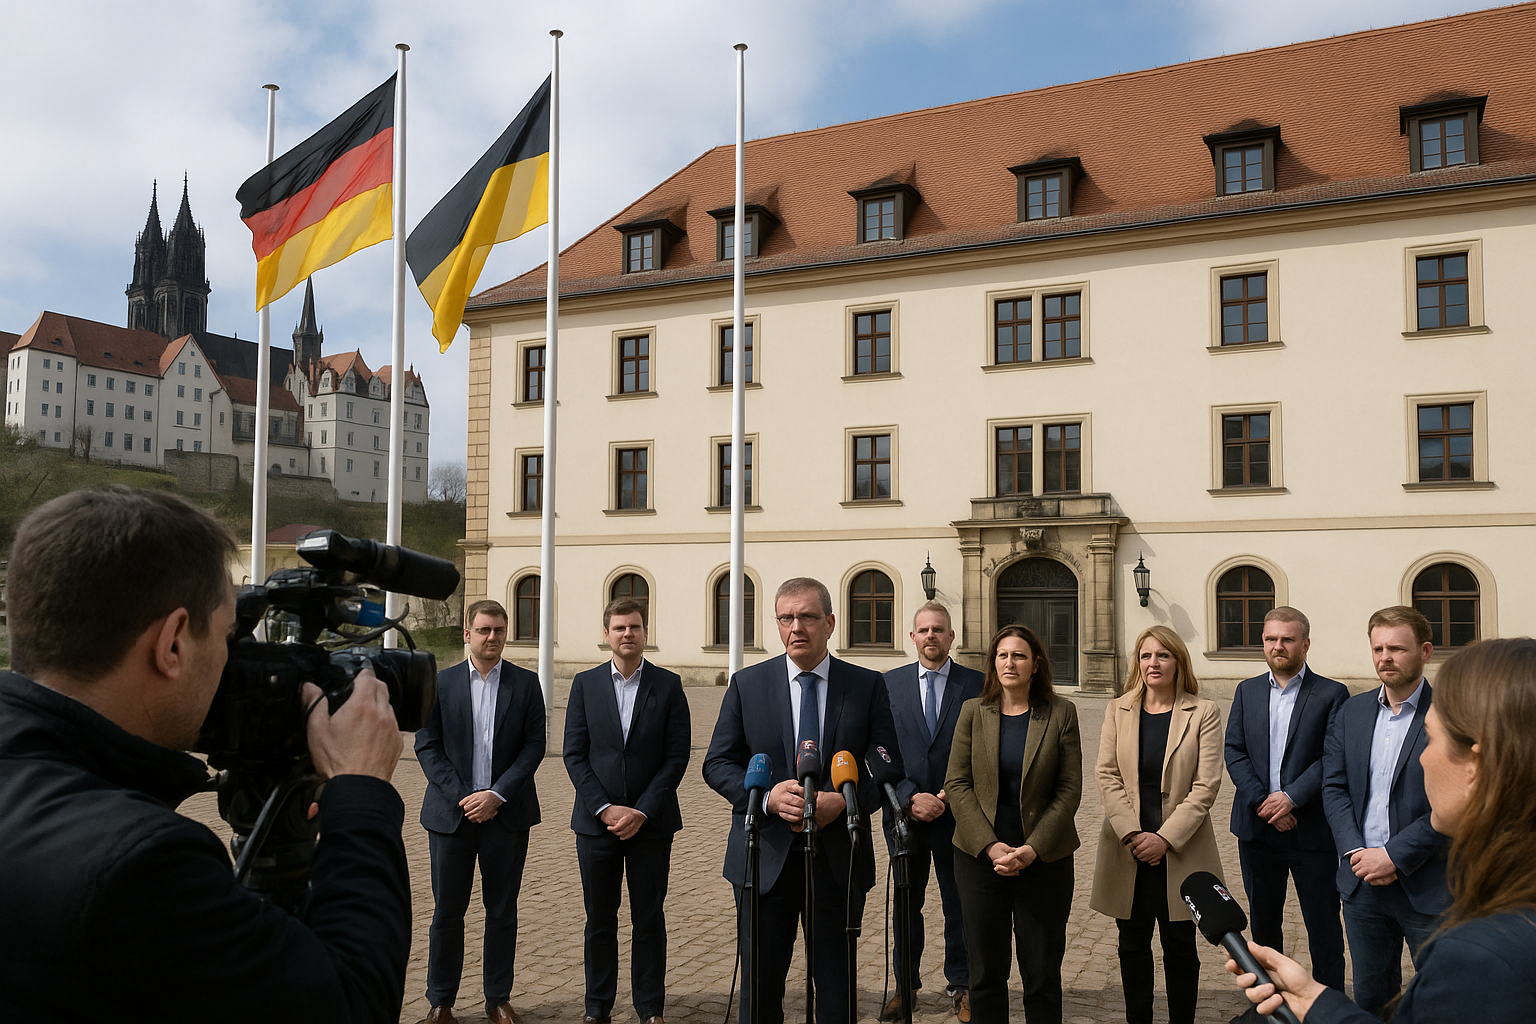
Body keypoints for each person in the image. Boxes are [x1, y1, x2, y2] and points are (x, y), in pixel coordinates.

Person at [0, 485, 410, 1022]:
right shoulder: (142, 866)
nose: (232, 659)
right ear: (171, 644)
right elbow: (351, 1005)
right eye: (228, 635)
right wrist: (361, 790)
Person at [1229, 637, 1536, 1023]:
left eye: (1431, 738)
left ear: (1474, 767)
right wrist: (1314, 1000)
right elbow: (1335, 785)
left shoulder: (1478, 955)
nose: (1422, 757)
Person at [702, 576, 904, 1024]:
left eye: (807, 617)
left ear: (829, 623)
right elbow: (717, 763)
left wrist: (845, 803)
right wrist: (767, 798)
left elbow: (886, 766)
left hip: (837, 859)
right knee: (760, 989)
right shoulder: (747, 684)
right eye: (786, 618)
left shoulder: (866, 685)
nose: (796, 627)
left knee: (836, 988)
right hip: (764, 856)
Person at [416, 599, 547, 1024]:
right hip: (451, 816)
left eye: (499, 630)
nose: (493, 637)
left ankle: (497, 998)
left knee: (502, 910)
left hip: (505, 816)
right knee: (447, 912)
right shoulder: (441, 683)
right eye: (484, 630)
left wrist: (497, 794)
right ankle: (441, 1001)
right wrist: (465, 797)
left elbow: (534, 746)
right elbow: (426, 745)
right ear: (467, 634)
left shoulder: (526, 684)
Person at [945, 624, 1082, 1024]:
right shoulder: (973, 711)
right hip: (979, 859)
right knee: (985, 973)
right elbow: (957, 782)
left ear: (1035, 664)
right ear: (993, 663)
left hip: (1044, 860)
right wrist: (990, 846)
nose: (1010, 663)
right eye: (1002, 655)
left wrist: (1032, 849)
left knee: (1041, 973)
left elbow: (1069, 788)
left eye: (1019, 655)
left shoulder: (1061, 713)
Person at [564, 598, 692, 1024]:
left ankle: (650, 1008)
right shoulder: (584, 684)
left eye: (634, 627)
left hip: (650, 825)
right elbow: (574, 754)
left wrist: (641, 811)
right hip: (596, 825)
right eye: (619, 627)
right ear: (606, 634)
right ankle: (597, 1008)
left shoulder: (668, 685)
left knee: (649, 919)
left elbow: (676, 756)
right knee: (599, 920)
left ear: (645, 632)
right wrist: (603, 808)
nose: (627, 634)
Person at [1090, 625, 1224, 1024]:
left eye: (1163, 655)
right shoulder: (1118, 709)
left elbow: (1206, 785)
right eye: (1146, 655)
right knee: (1132, 946)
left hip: (1180, 851)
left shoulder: (1203, 712)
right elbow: (1106, 774)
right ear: (1138, 662)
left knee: (1180, 946)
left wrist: (1164, 838)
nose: (1154, 663)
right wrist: (1133, 833)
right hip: (1128, 849)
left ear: (1178, 662)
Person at [1319, 606, 1449, 1017]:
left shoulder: (1451, 714)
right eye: (1378, 649)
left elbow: (1458, 802)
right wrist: (1356, 851)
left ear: (1425, 651)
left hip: (1428, 883)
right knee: (1372, 1000)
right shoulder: (1352, 712)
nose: (1385, 658)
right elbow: (1334, 787)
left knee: (1442, 1000)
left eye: (1397, 648)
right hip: (1362, 885)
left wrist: (1393, 855)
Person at [1224, 607, 1349, 990]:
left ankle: (1328, 1006)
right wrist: (1265, 803)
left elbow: (1333, 756)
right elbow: (1235, 751)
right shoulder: (1247, 691)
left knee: (1324, 928)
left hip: (1312, 833)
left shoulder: (1331, 693)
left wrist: (1291, 798)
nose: (1278, 646)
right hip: (1258, 832)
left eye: (1287, 639)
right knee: (1263, 929)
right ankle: (1271, 1005)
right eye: (1270, 639)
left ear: (1305, 644)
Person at [879, 601, 984, 1023]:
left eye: (938, 629)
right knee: (907, 905)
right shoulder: (888, 685)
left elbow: (984, 749)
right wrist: (909, 796)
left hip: (960, 816)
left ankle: (962, 985)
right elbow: (878, 749)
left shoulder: (976, 684)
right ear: (912, 637)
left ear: (951, 636)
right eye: (923, 630)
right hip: (904, 816)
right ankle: (905, 988)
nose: (930, 636)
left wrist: (947, 796)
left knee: (961, 904)